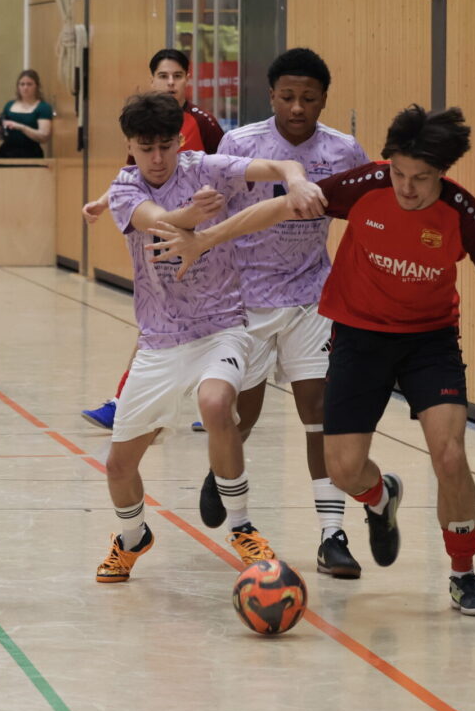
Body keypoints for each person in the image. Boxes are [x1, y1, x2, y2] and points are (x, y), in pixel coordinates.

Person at [148, 105, 475, 616]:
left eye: (420, 179)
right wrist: (204, 238)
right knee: (344, 470)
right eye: (399, 173)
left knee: (450, 455)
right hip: (359, 338)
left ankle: (463, 573)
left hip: (429, 341)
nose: (406, 188)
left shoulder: (462, 213)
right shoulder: (365, 185)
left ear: (442, 173)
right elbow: (279, 208)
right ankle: (381, 497)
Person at [95, 91, 325, 583]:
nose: (157, 158)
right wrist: (193, 217)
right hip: (159, 340)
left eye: (165, 146)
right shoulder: (124, 188)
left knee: (217, 404)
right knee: (118, 466)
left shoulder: (206, 168)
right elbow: (157, 221)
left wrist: (296, 179)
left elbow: (279, 165)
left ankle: (241, 526)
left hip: (221, 327)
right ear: (130, 146)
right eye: (145, 148)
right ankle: (133, 537)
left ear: (179, 142)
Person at [194, 47, 369, 578]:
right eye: (288, 97)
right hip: (246, 296)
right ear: (271, 96)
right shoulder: (241, 144)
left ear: (324, 100)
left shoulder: (343, 150)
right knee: (241, 415)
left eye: (308, 98)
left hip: (311, 295)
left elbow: (365, 217)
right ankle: (222, 470)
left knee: (319, 412)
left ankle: (332, 535)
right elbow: (214, 214)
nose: (297, 107)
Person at [80, 48, 226, 430]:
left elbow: (226, 167)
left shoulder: (203, 123)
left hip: (202, 240)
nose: (171, 82)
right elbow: (132, 177)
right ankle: (126, 402)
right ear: (152, 80)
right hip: (162, 232)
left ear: (188, 79)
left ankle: (212, 402)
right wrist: (103, 201)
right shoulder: (144, 125)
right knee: (158, 323)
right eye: (163, 76)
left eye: (177, 75)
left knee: (209, 324)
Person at [0, 69, 53, 159]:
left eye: (29, 84)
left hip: (31, 153)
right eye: (22, 84)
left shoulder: (43, 107)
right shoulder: (9, 105)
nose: (25, 88)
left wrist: (21, 127)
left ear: (37, 86)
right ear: (18, 87)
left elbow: (44, 136)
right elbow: (2, 131)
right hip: (7, 152)